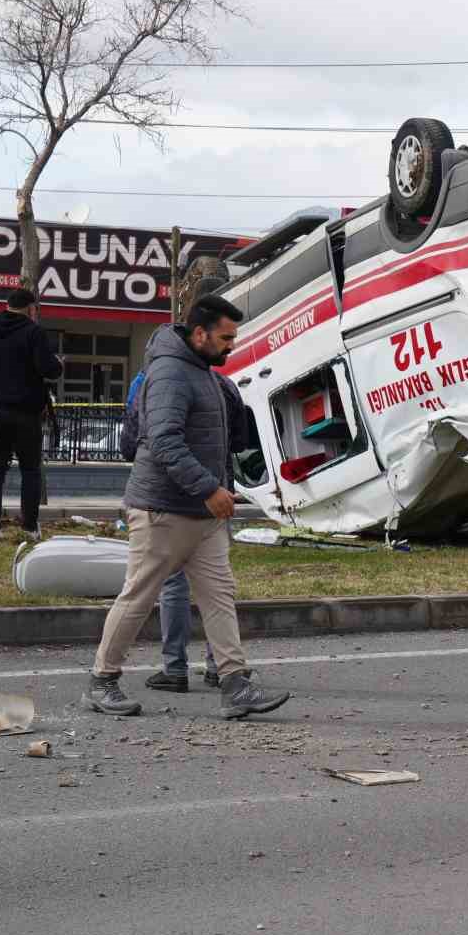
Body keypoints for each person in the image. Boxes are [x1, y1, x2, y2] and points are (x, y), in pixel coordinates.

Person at [82, 296, 289, 719]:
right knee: (139, 597)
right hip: (162, 509)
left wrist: (215, 491)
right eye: (226, 337)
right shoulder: (171, 372)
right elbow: (163, 441)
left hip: (202, 514)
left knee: (219, 596)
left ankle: (235, 684)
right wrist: (209, 488)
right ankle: (102, 681)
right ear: (200, 334)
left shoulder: (202, 371)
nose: (232, 344)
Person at [120, 366, 217, 692]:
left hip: (168, 495)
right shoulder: (220, 382)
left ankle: (174, 668)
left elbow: (130, 443)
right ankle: (223, 667)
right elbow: (241, 437)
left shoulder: (146, 381)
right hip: (215, 494)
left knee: (170, 582)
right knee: (216, 586)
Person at [0, 288, 63, 542]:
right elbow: (49, 369)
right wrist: (59, 363)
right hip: (24, 411)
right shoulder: (33, 332)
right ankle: (29, 527)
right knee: (30, 470)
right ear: (30, 308)